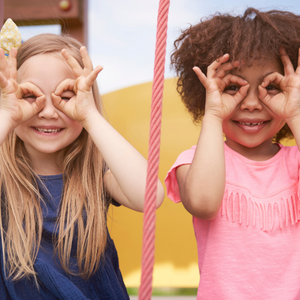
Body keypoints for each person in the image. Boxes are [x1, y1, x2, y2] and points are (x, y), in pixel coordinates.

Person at [0, 21, 164, 299]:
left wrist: (89, 116)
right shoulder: (5, 175)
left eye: (66, 96)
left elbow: (151, 196)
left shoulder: (94, 172)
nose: (49, 112)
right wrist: (7, 113)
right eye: (30, 96)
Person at [165, 7, 300, 300]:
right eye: (232, 87)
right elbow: (203, 202)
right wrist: (214, 111)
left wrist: (295, 112)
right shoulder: (194, 162)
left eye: (272, 86)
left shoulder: (295, 161)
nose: (251, 102)